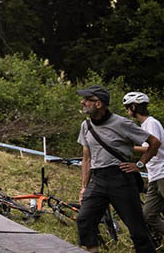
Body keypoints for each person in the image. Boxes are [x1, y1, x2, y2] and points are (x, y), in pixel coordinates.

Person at [76, 85, 160, 253]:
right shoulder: (86, 125)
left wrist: (139, 165)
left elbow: (154, 143)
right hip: (98, 179)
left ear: (98, 104)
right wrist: (84, 187)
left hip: (121, 178)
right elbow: (87, 158)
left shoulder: (122, 123)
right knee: (84, 219)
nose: (82, 102)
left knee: (137, 228)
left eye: (87, 99)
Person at [124, 91, 164, 244]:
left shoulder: (151, 123)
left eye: (127, 107)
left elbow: (154, 146)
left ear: (134, 107)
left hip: (162, 172)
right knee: (148, 216)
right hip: (154, 175)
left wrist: (129, 148)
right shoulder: (144, 125)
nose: (127, 111)